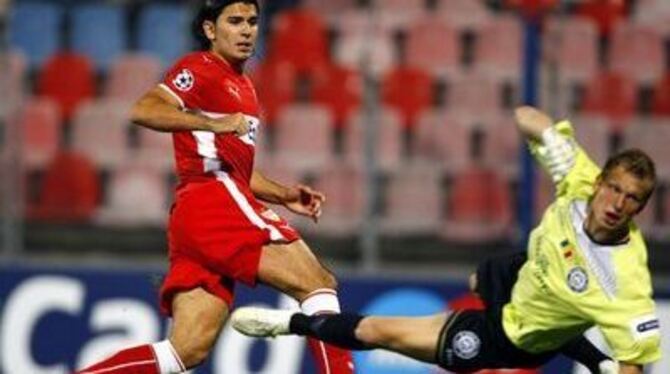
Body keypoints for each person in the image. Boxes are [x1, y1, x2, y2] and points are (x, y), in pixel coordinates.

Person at [231, 106, 662, 374]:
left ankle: (291, 325)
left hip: (509, 336)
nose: (617, 203)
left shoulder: (624, 283)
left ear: (641, 209)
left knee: (380, 331)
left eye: (632, 199)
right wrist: (552, 140)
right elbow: (525, 114)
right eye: (614, 189)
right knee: (483, 279)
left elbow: (635, 363)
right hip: (523, 270)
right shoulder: (580, 179)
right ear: (600, 180)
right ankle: (592, 356)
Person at [77, 1, 354, 373]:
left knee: (186, 351)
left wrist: (286, 194)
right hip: (213, 203)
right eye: (235, 21)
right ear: (210, 30)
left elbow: (237, 170)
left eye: (253, 22)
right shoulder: (200, 68)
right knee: (317, 284)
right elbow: (143, 109)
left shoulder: (244, 86)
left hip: (199, 213)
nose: (246, 30)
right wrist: (216, 125)